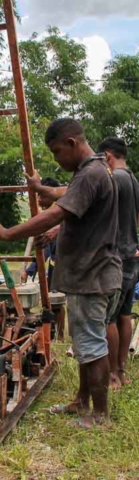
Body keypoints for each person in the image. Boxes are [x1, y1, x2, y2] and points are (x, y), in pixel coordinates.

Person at [0, 118, 121, 429]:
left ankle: (100, 416)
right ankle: (81, 401)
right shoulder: (90, 171)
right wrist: (40, 187)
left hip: (92, 276)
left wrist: (9, 233)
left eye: (56, 152)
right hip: (92, 274)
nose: (55, 159)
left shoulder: (90, 174)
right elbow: (64, 193)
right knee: (85, 344)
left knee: (92, 346)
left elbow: (56, 212)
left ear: (72, 143)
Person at [99, 137, 139, 389]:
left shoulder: (116, 179)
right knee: (124, 314)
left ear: (107, 156)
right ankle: (121, 370)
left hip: (118, 259)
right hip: (132, 257)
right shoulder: (133, 179)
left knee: (109, 318)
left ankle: (113, 374)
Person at [20, 177, 66, 341]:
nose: (39, 199)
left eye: (41, 195)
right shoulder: (56, 210)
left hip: (62, 264)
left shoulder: (54, 214)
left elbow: (44, 250)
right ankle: (58, 336)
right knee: (57, 301)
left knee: (56, 300)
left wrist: (29, 270)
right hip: (58, 263)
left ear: (51, 192)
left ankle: (59, 337)